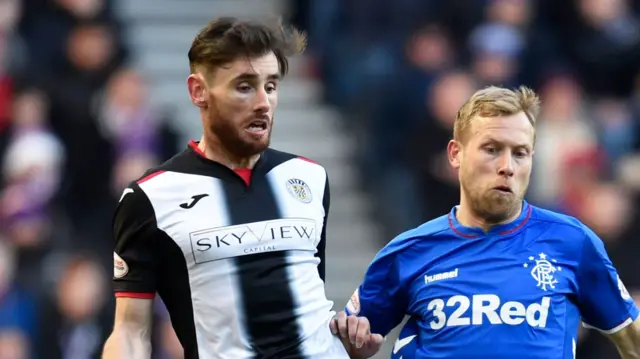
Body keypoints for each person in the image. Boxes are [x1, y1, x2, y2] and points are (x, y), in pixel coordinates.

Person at [101, 17, 380, 359]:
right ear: (198, 91)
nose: (263, 102)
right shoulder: (150, 198)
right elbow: (130, 331)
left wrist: (349, 337)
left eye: (271, 86)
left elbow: (309, 307)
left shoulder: (309, 177)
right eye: (245, 86)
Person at [331, 86, 640, 358]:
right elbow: (346, 343)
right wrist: (355, 350)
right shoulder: (408, 251)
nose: (507, 166)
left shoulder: (572, 242)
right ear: (456, 154)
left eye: (520, 153)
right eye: (492, 150)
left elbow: (632, 341)